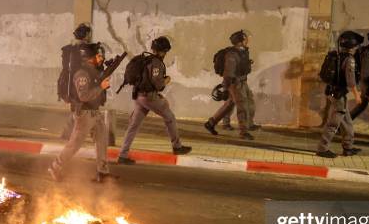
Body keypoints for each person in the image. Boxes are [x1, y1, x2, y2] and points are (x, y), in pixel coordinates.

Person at [117, 36, 192, 165]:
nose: (165, 54)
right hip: (149, 97)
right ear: (162, 51)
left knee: (133, 126)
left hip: (139, 97)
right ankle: (177, 147)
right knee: (170, 117)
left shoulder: (146, 60)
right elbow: (158, 85)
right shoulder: (156, 63)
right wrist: (167, 80)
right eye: (165, 51)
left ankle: (122, 155)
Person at [48, 43, 116, 183]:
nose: (101, 58)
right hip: (84, 114)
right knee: (74, 144)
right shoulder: (82, 74)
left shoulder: (93, 71)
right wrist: (101, 87)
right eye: (98, 55)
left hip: (94, 113)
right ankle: (55, 167)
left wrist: (101, 84)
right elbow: (83, 96)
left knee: (102, 140)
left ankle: (102, 172)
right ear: (90, 57)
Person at [316, 31, 364, 158]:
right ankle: (322, 148)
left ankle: (348, 147)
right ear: (352, 46)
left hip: (332, 91)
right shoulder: (349, 60)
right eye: (356, 46)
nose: (357, 48)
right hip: (338, 95)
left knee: (347, 121)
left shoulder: (336, 56)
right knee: (333, 123)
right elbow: (351, 81)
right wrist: (357, 95)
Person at [204, 30, 259, 140]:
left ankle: (211, 123)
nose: (247, 39)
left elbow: (241, 67)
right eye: (245, 38)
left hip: (243, 82)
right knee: (242, 106)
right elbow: (228, 73)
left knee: (231, 104)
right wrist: (225, 87)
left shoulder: (242, 51)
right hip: (235, 83)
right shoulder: (232, 55)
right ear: (240, 41)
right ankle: (244, 132)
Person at [60, 23, 93, 141]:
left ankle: (66, 134)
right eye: (88, 33)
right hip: (79, 84)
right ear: (85, 35)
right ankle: (69, 136)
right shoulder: (84, 50)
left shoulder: (69, 48)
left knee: (77, 111)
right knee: (79, 111)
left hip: (69, 84)